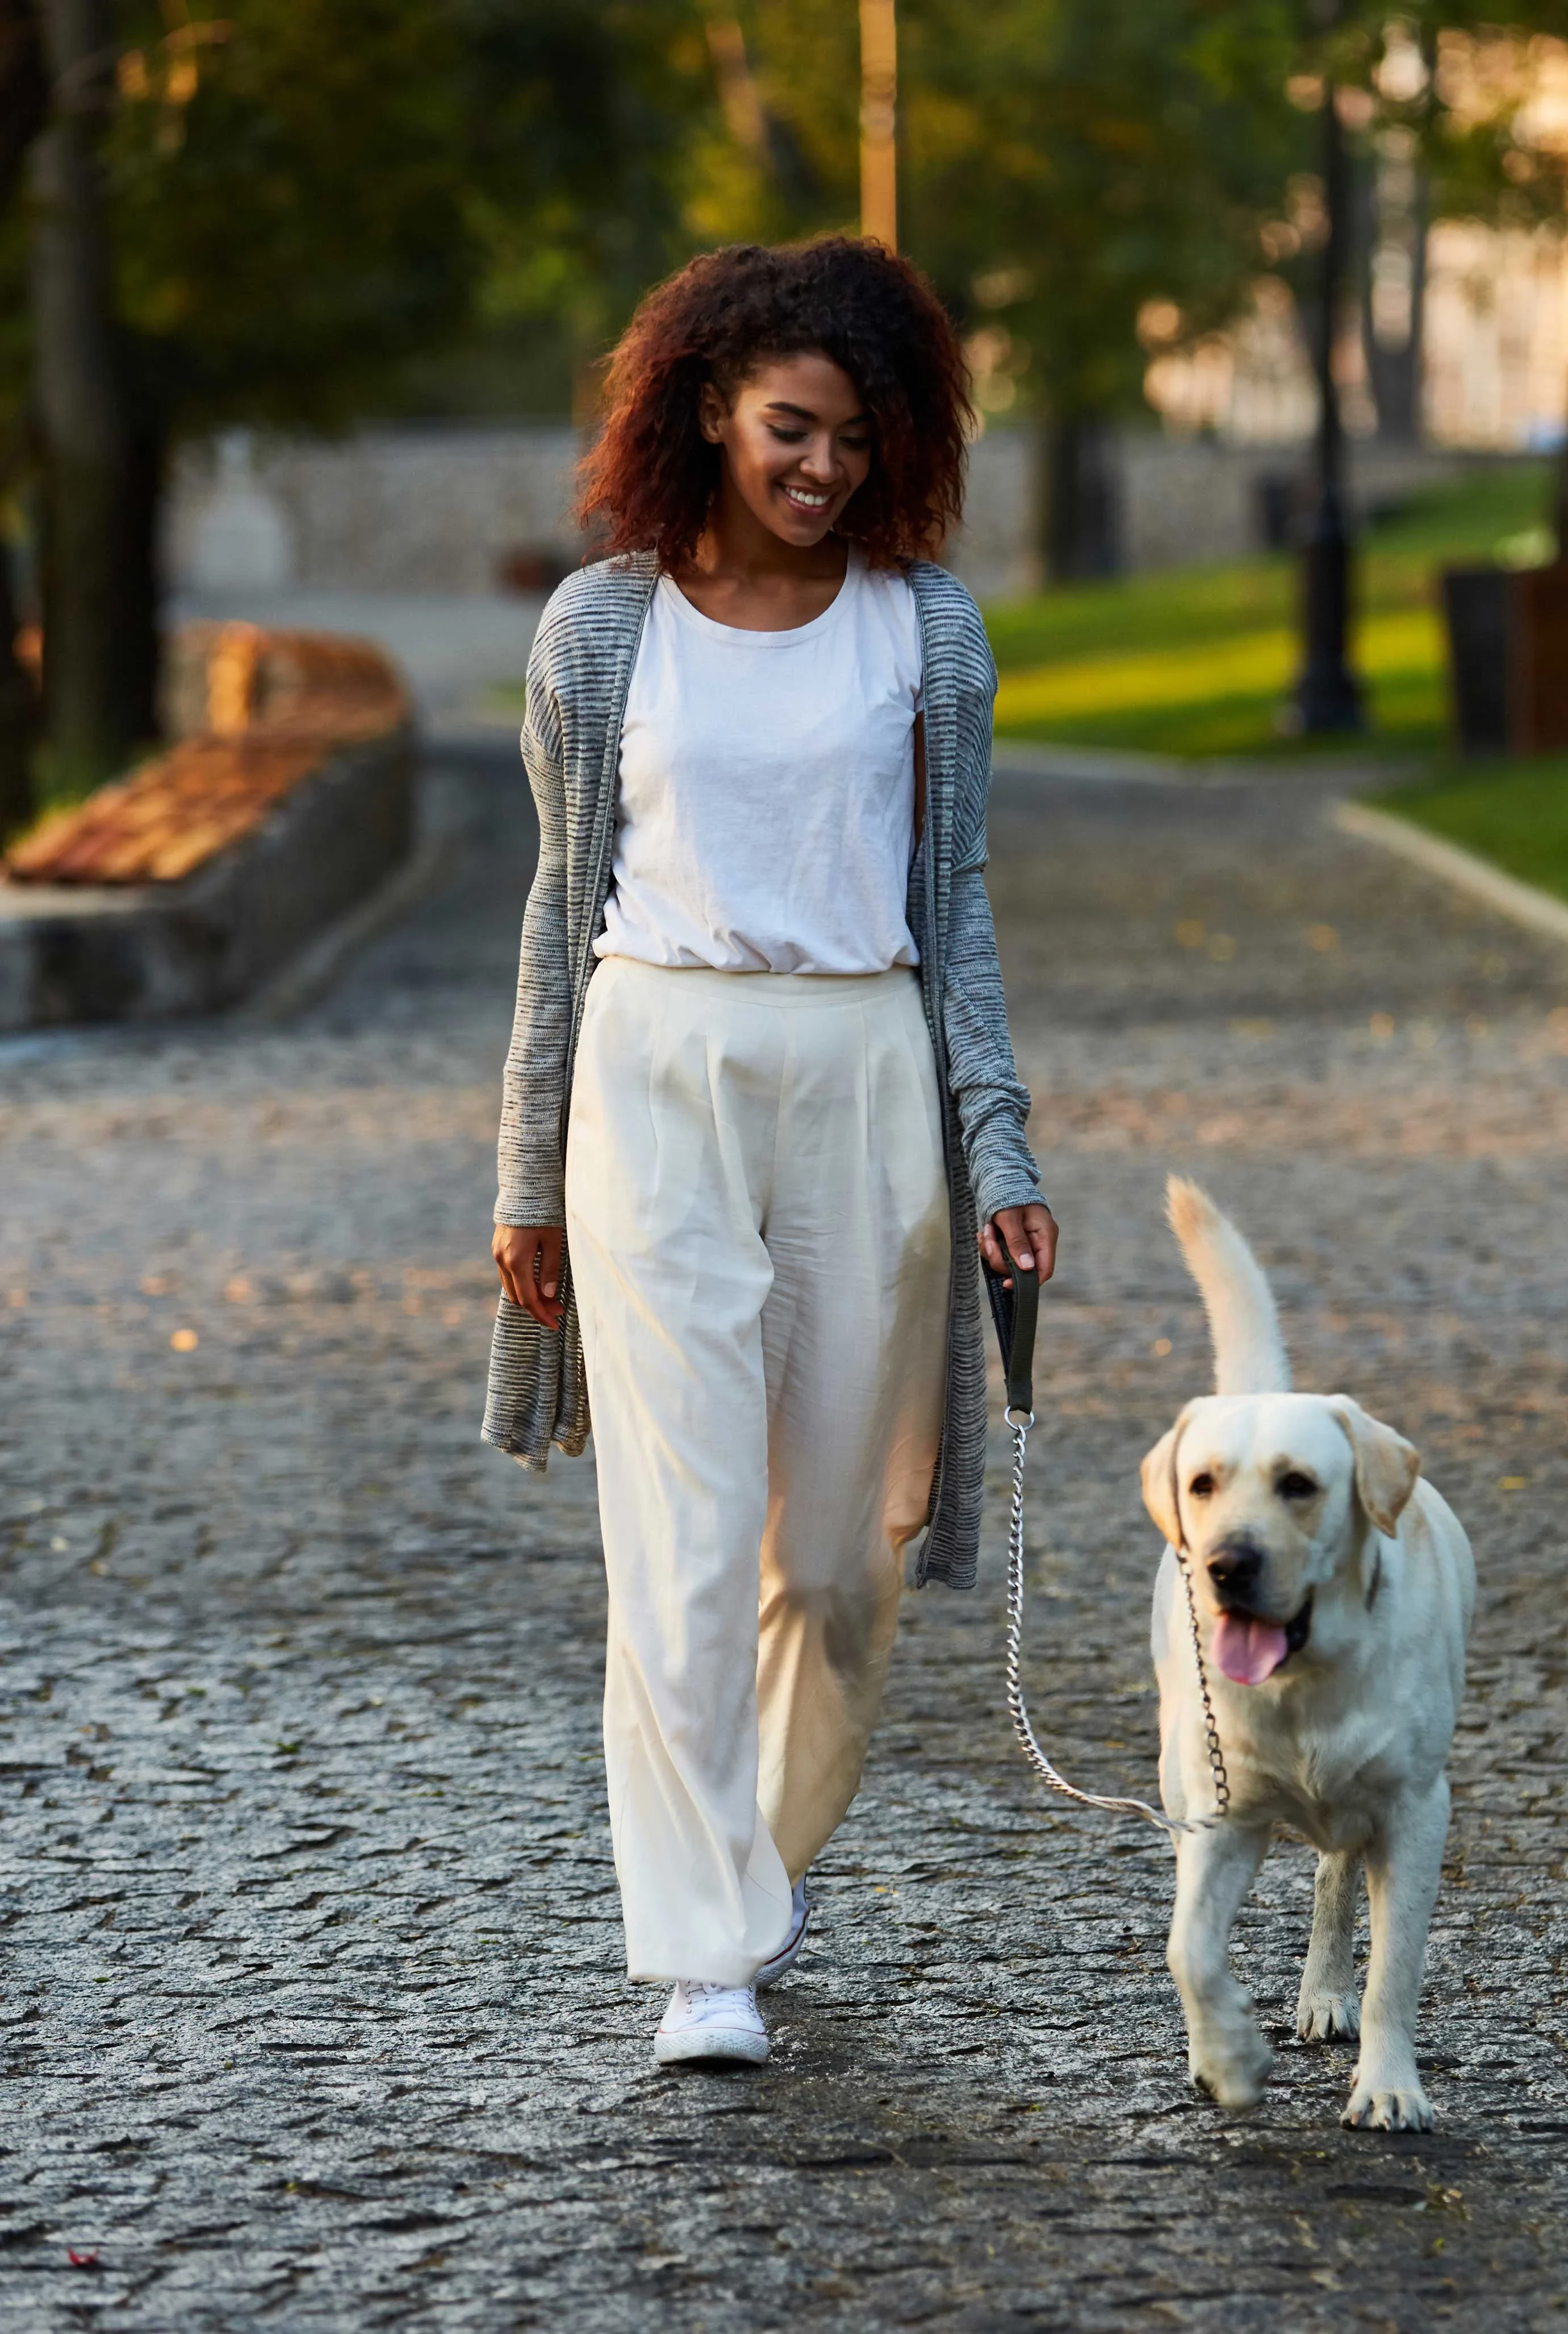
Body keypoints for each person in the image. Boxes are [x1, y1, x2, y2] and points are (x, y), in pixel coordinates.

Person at [482, 239, 1056, 2072]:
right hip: (651, 1070)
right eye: (791, 427)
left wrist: (1001, 1142)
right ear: (709, 408)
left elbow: (952, 907)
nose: (824, 467)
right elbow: (558, 905)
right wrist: (522, 1170)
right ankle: (702, 1950)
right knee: (675, 1533)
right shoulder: (600, 628)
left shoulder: (927, 630)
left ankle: (761, 1864)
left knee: (830, 1556)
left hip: (866, 1075)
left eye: (859, 438)